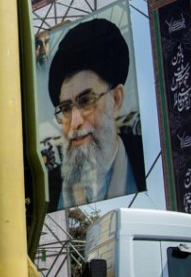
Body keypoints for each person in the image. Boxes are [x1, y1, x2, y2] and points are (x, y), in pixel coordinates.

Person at [48, 17, 138, 208]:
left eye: (86, 101)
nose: (75, 123)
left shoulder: (142, 165)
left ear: (115, 100)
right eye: (65, 108)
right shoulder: (48, 187)